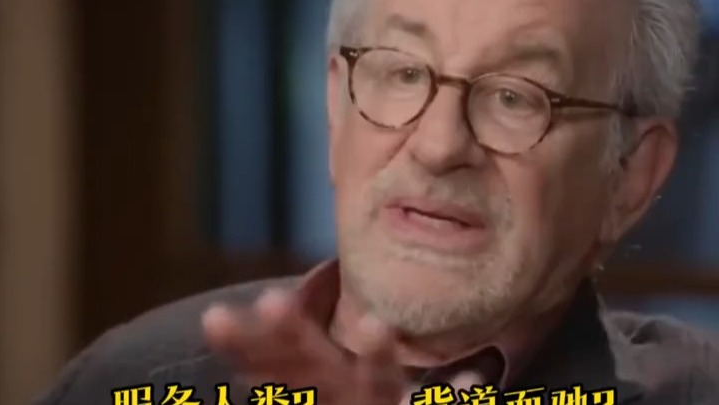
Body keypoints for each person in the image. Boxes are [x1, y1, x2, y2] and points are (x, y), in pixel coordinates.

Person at [38, 0, 719, 404]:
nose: (438, 145)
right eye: (402, 72)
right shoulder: (127, 379)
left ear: (630, 175)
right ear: (337, 106)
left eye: (516, 97)